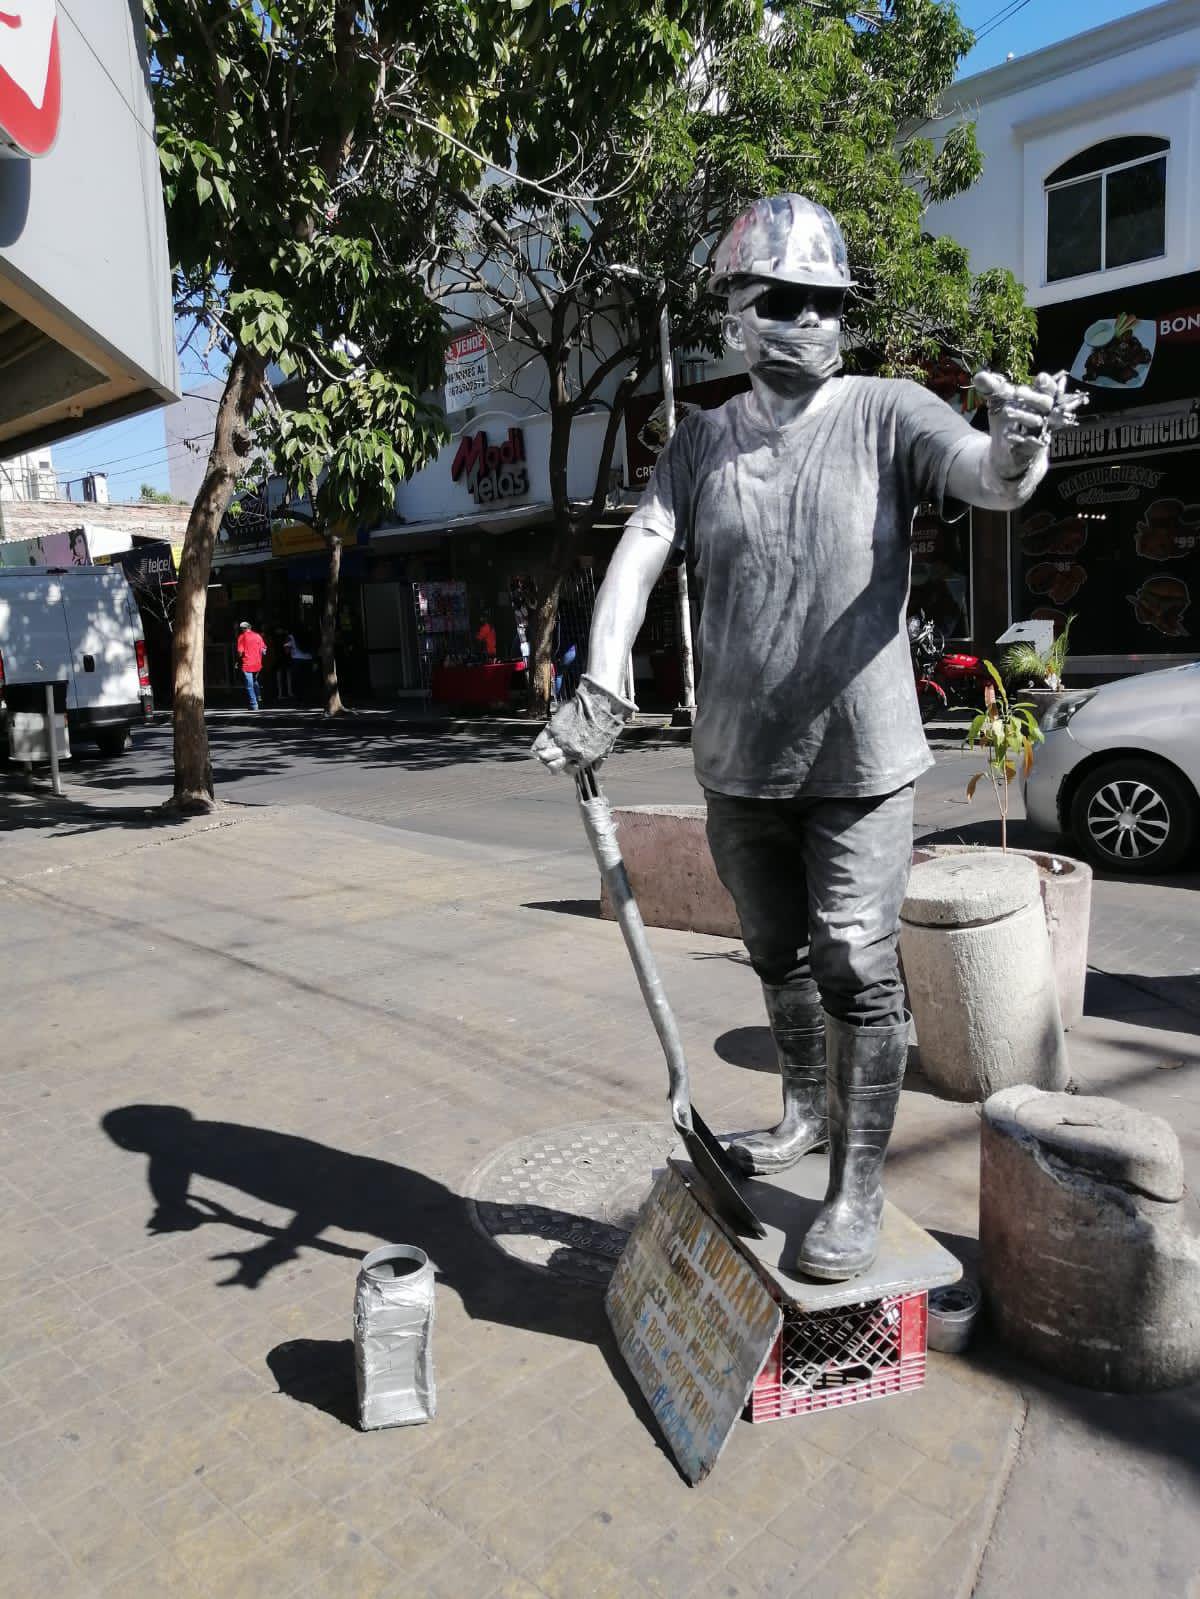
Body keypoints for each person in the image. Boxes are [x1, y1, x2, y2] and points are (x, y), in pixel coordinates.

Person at [533, 194, 1083, 1281]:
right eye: (781, 300)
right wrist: (601, 680)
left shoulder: (884, 412)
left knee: (855, 962)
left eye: (826, 303)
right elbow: (644, 545)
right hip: (740, 761)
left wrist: (1020, 447)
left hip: (863, 759)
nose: (808, 321)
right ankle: (801, 1108)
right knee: (777, 951)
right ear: (736, 314)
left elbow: (985, 475)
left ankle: (857, 1185)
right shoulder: (700, 441)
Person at [234, 621, 267, 710]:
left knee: (249, 685)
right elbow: (264, 649)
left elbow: (240, 652)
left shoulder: (242, 637)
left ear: (242, 629)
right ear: (250, 627)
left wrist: (237, 661)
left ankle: (254, 704)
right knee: (255, 681)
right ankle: (259, 699)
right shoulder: (258, 636)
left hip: (247, 663)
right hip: (257, 664)